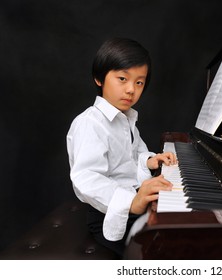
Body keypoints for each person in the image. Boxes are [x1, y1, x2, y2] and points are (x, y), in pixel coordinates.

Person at [66, 38, 176, 257]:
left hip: (132, 199)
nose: (130, 90)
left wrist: (148, 160)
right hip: (109, 214)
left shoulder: (126, 118)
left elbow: (134, 153)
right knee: (165, 249)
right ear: (99, 78)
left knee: (175, 225)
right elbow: (86, 178)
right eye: (122, 79)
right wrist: (131, 202)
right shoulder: (90, 123)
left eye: (139, 83)